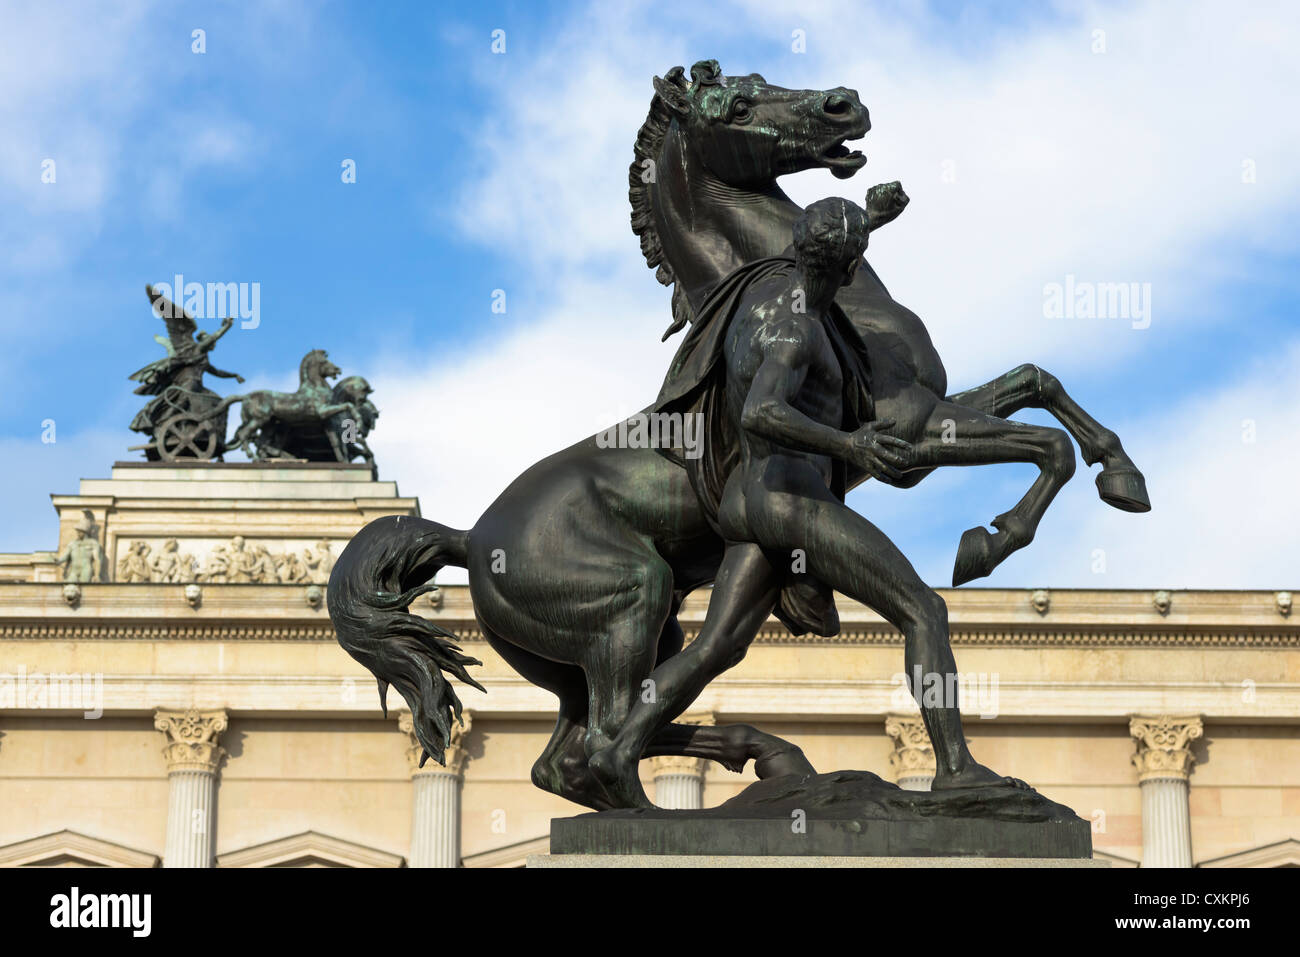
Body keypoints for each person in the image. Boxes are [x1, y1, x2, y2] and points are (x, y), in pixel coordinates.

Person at [590, 196, 1026, 805]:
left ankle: (615, 745)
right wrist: (850, 442)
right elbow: (762, 410)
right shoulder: (797, 329)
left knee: (717, 645)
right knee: (923, 610)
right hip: (789, 502)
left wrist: (865, 220)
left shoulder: (772, 300)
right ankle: (955, 769)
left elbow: (821, 250)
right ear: (851, 272)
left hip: (748, 500)